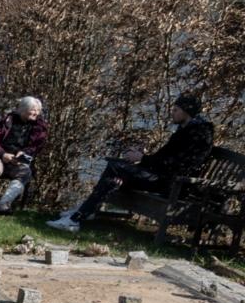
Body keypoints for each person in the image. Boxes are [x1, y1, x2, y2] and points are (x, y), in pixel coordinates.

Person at [48, 93, 215, 233]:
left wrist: (142, 159)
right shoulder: (186, 130)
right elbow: (162, 158)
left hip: (172, 184)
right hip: (163, 177)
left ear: (187, 112)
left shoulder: (199, 135)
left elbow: (179, 164)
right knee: (115, 170)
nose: (172, 112)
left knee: (116, 169)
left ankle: (79, 215)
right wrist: (141, 158)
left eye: (176, 110)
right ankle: (82, 213)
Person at [0, 96, 48, 214]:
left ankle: (3, 204)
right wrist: (3, 154)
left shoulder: (39, 127)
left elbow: (36, 146)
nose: (36, 113)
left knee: (25, 173)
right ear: (23, 109)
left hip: (17, 161)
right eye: (33, 110)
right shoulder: (5, 122)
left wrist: (24, 153)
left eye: (38, 110)